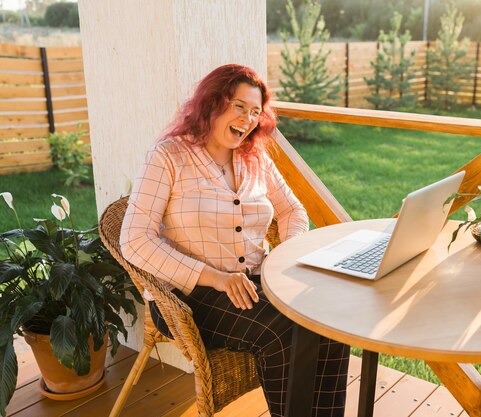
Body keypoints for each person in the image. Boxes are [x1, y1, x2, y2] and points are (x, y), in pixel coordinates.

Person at [119, 64, 349, 417]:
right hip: (190, 295)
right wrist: (216, 278)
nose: (247, 119)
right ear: (212, 103)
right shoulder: (168, 157)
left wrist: (284, 256)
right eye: (239, 106)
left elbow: (293, 212)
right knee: (284, 331)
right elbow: (134, 239)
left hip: (257, 285)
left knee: (328, 321)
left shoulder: (254, 158)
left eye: (255, 112)